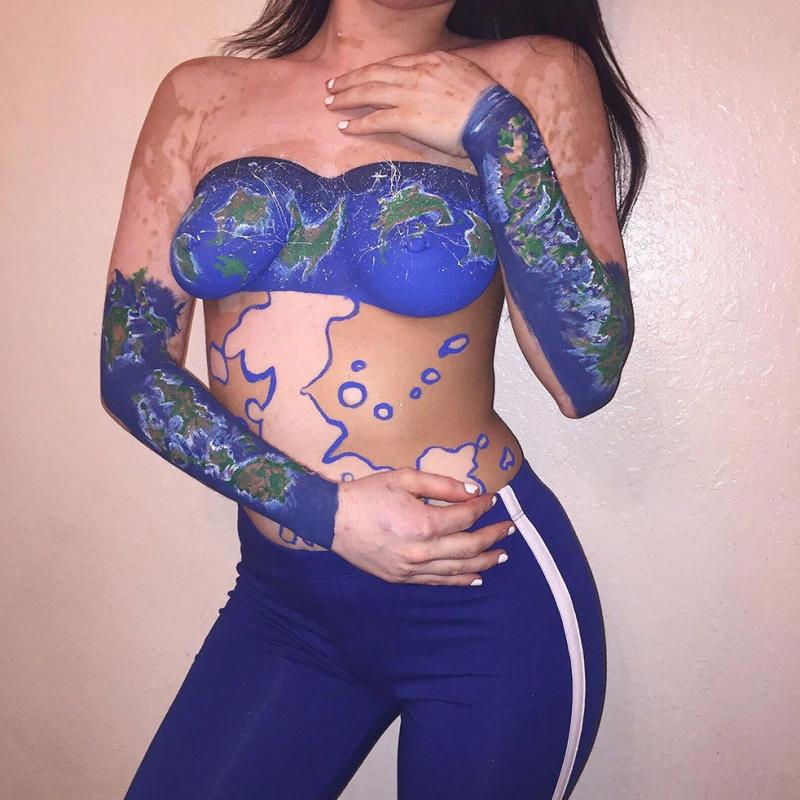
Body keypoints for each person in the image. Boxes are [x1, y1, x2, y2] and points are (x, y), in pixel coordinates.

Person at [100, 1, 647, 797]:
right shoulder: (199, 95)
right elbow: (131, 367)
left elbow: (586, 376)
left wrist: (496, 130)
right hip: (286, 606)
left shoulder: (533, 75)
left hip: (480, 594)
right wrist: (323, 511)